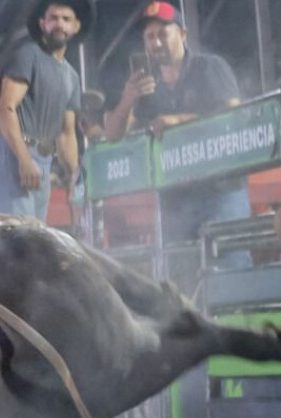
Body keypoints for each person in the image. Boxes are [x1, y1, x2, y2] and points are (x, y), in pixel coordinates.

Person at [103, 2, 250, 249]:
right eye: (150, 36)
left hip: (221, 191)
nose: (156, 42)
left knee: (228, 265)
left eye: (163, 34)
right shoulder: (149, 88)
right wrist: (128, 99)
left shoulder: (209, 67)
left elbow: (234, 114)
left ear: (183, 34)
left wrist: (180, 121)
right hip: (176, 200)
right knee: (180, 270)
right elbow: (113, 135)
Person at [0, 1, 89, 219]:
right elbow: (5, 108)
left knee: (35, 235)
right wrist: (24, 159)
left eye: (65, 19)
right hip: (15, 153)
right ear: (42, 24)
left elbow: (67, 132)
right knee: (22, 237)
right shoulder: (28, 55)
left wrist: (74, 174)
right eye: (53, 18)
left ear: (76, 26)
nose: (59, 24)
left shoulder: (71, 76)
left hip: (44, 160)